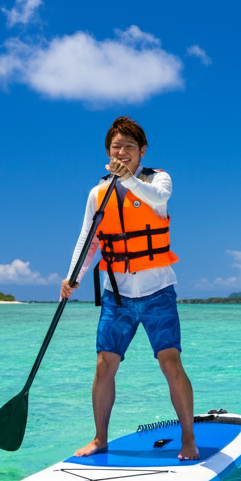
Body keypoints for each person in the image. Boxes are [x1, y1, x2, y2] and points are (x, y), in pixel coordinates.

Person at [60, 116, 199, 461]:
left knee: (170, 362)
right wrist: (72, 275)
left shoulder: (158, 181)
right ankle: (100, 439)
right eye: (115, 147)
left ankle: (188, 440)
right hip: (116, 296)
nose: (121, 153)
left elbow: (154, 198)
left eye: (128, 147)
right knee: (104, 365)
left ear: (142, 151)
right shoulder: (98, 193)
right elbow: (88, 238)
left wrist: (127, 179)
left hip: (158, 292)